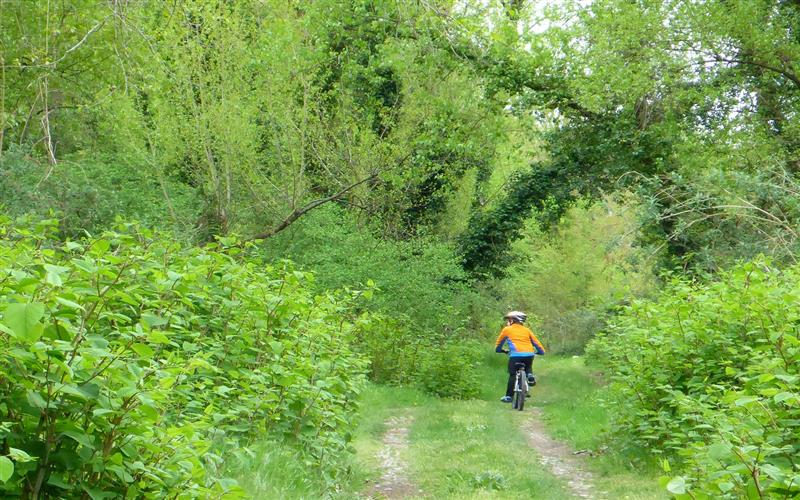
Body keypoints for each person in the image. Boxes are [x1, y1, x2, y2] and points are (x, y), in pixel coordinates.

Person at [495, 311, 545, 403]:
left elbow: (499, 343)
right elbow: (536, 343)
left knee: (513, 374)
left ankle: (509, 396)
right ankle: (529, 375)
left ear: (513, 320)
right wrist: (541, 352)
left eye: (509, 320)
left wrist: (499, 350)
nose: (508, 322)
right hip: (529, 354)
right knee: (528, 366)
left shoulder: (507, 330)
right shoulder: (527, 330)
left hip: (515, 355)